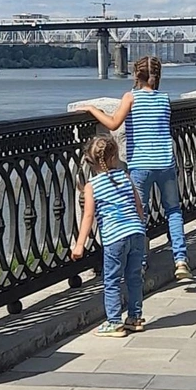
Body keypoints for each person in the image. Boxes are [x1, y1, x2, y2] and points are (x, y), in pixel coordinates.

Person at [78, 56, 192, 280]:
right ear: (158, 76)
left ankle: (140, 263)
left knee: (140, 214)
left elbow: (113, 124)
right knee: (173, 211)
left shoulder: (131, 97)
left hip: (140, 164)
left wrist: (92, 109)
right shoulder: (164, 99)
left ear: (135, 75)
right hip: (165, 161)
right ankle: (180, 260)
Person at [71, 135, 146, 337]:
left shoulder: (92, 186)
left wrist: (80, 245)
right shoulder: (126, 176)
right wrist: (141, 226)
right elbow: (139, 206)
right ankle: (135, 317)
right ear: (114, 157)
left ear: (89, 160)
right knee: (134, 277)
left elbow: (88, 216)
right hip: (136, 233)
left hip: (115, 238)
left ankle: (114, 322)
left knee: (112, 280)